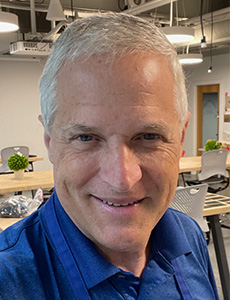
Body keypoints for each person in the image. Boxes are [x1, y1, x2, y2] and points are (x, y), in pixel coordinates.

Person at [0, 12, 219, 300]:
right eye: (86, 138)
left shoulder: (188, 235)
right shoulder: (8, 279)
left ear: (180, 137)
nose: (122, 179)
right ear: (50, 141)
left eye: (149, 136)